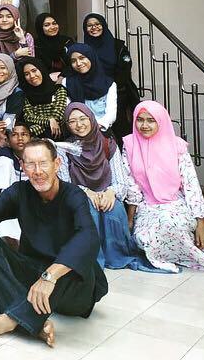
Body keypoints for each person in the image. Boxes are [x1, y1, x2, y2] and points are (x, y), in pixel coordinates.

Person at [0, 139, 109, 347]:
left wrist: (50, 276)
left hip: (73, 289)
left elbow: (88, 237)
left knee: (75, 261)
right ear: (22, 167)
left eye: (43, 163)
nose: (38, 171)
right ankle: (33, 324)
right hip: (34, 278)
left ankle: (10, 321)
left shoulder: (73, 195)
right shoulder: (20, 191)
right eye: (31, 164)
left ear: (56, 164)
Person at [121, 101, 204, 274]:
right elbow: (131, 184)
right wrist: (130, 219)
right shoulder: (130, 144)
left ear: (161, 121)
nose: (144, 125)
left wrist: (200, 220)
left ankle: (181, 256)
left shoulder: (176, 146)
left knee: (172, 224)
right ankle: (163, 258)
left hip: (175, 202)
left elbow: (190, 183)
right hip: (147, 204)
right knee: (144, 237)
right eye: (140, 120)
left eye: (151, 120)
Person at [58, 104, 161, 272]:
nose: (79, 124)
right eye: (72, 121)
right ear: (67, 125)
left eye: (83, 119)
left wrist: (111, 192)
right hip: (78, 195)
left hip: (106, 192)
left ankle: (116, 256)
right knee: (88, 210)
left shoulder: (108, 144)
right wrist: (86, 192)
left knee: (114, 209)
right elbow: (64, 183)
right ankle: (92, 260)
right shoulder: (64, 149)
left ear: (91, 119)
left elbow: (121, 181)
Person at [82, 13, 141, 140]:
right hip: (92, 94)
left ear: (103, 25)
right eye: (89, 25)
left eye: (97, 24)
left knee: (121, 130)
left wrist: (110, 86)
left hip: (118, 92)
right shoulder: (84, 49)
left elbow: (125, 68)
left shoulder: (118, 46)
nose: (94, 27)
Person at [62, 44, 117, 134]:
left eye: (82, 58)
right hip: (77, 131)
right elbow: (67, 110)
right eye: (73, 61)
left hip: (101, 131)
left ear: (91, 57)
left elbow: (111, 114)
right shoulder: (67, 83)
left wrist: (94, 128)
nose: (78, 63)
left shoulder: (108, 84)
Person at [16, 57, 68, 139]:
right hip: (35, 136)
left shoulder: (58, 89)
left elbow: (58, 115)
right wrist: (49, 120)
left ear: (41, 69)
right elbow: (28, 116)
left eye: (34, 70)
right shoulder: (25, 95)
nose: (32, 76)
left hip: (58, 134)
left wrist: (30, 132)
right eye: (26, 74)